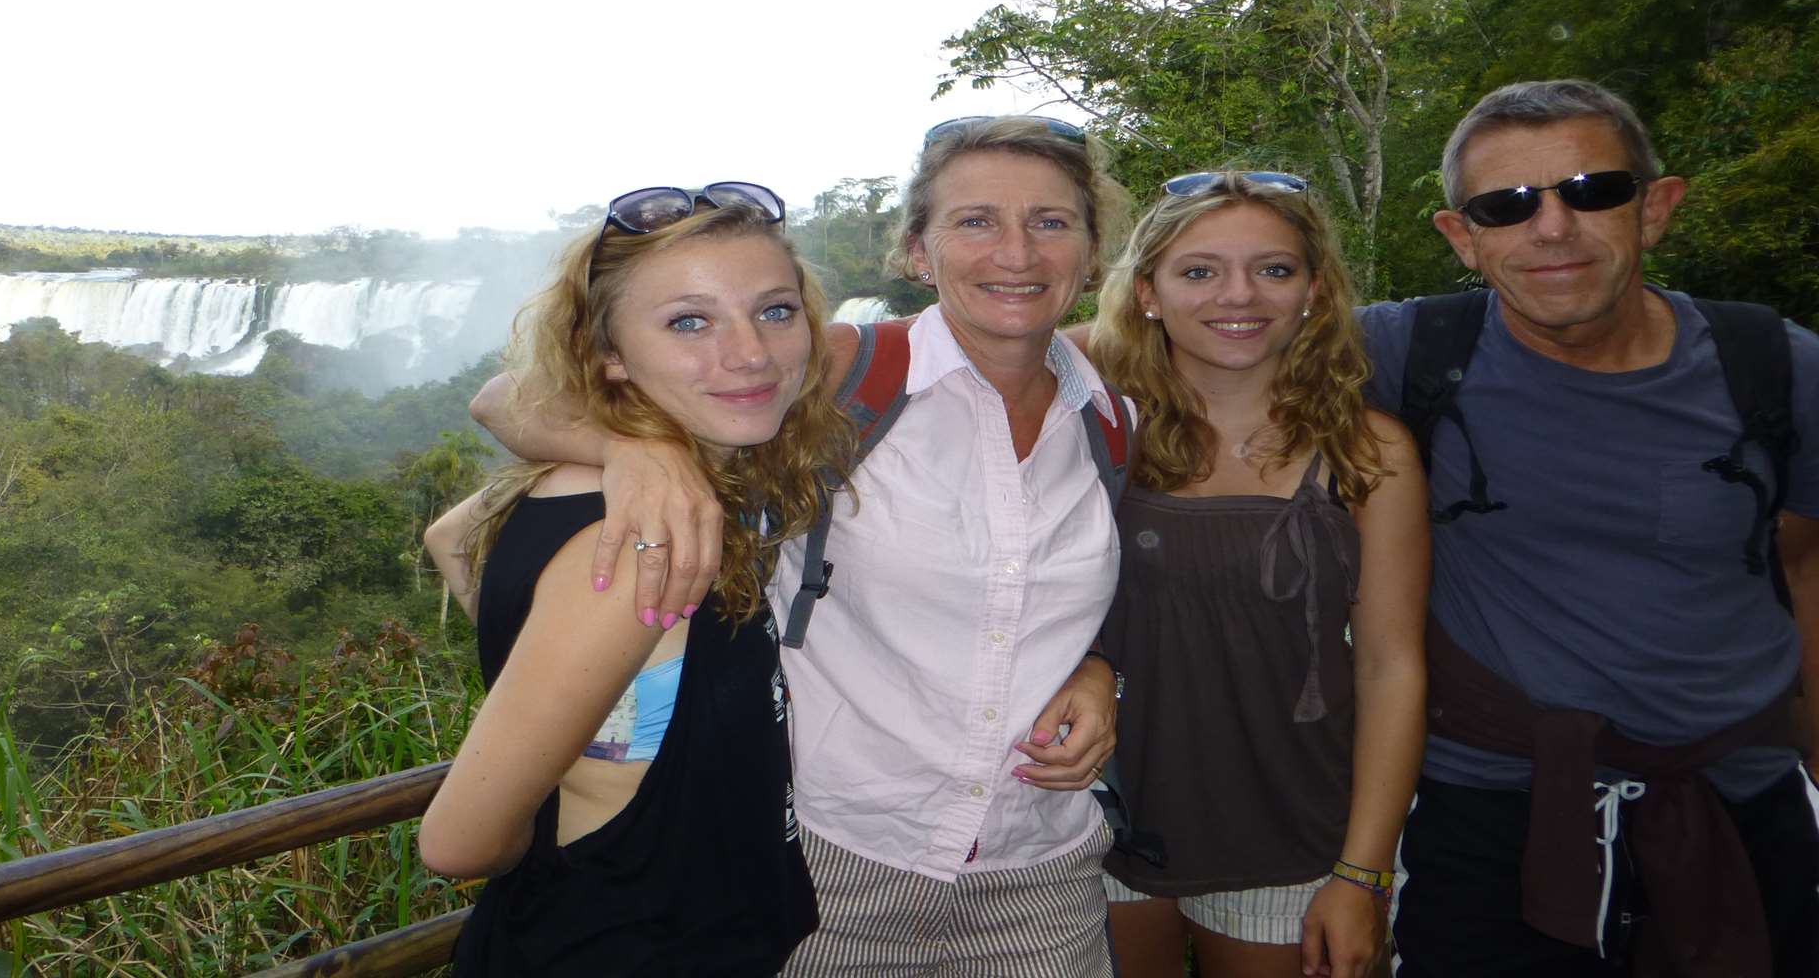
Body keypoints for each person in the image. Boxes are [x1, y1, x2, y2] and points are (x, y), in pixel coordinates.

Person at [469, 115, 1138, 975]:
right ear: (915, 250)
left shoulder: (1112, 421)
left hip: (1042, 880)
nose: (1017, 251)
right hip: (827, 874)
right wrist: (638, 447)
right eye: (975, 220)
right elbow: (503, 396)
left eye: (1051, 221)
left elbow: (1093, 599)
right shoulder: (834, 374)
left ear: (1090, 253)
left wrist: (1098, 667)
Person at [1360, 79, 1819, 975]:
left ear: (1656, 209)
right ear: (1463, 237)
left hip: (1739, 802)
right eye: (1507, 205)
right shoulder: (1405, 353)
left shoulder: (1775, 366)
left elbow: (1805, 576)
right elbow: (1200, 350)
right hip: (1487, 818)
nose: (1553, 227)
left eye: (1592, 191)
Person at [417, 187, 851, 976]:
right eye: (690, 321)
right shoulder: (637, 547)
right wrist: (557, 834)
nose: (751, 352)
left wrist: (591, 706)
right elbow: (458, 843)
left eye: (777, 311)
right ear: (609, 353)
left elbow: (447, 538)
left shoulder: (676, 478)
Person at [1079, 173, 1428, 978]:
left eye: (1273, 269)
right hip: (1098, 823)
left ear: (1313, 290)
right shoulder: (1090, 430)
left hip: (1292, 830)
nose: (1240, 295)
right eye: (1199, 271)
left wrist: (1364, 871)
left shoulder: (1369, 452)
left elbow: (1392, 666)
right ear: (1149, 294)